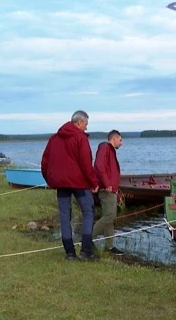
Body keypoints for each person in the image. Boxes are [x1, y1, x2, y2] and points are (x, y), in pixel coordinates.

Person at [41, 110, 99, 261]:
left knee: (65, 216)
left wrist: (50, 179)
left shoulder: (54, 139)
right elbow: (86, 163)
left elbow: (45, 162)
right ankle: (86, 250)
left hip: (61, 183)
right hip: (79, 183)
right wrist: (94, 183)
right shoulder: (80, 138)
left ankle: (70, 253)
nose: (86, 127)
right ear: (79, 122)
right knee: (88, 212)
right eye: (86, 124)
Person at [92, 130, 123, 254]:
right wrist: (107, 184)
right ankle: (86, 238)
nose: (121, 143)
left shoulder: (110, 150)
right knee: (109, 216)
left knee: (110, 217)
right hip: (106, 189)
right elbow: (99, 166)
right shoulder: (105, 147)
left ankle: (109, 246)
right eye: (120, 140)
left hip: (112, 189)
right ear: (114, 138)